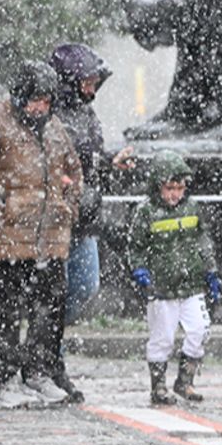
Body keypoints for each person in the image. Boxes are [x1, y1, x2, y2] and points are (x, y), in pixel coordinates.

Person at [0, 61, 82, 408]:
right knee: (5, 313)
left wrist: (67, 205)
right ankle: (6, 379)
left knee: (49, 311)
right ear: (19, 96)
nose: (40, 108)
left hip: (49, 240)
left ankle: (38, 372)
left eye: (46, 100)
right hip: (4, 243)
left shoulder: (55, 128)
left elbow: (74, 170)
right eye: (35, 100)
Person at [47, 44, 135, 328]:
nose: (92, 90)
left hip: (84, 215)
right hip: (57, 215)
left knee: (86, 284)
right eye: (87, 83)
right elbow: (67, 155)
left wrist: (110, 160)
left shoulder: (86, 114)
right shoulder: (51, 114)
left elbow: (90, 153)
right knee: (55, 290)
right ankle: (48, 349)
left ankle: (49, 335)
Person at [126, 150, 221, 406]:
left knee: (200, 330)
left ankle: (185, 379)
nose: (175, 194)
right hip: (161, 288)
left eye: (179, 188)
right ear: (158, 186)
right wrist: (140, 270)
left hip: (191, 285)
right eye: (170, 188)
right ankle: (158, 386)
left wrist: (210, 270)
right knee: (162, 338)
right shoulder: (146, 212)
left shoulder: (192, 209)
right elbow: (135, 246)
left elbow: (203, 240)